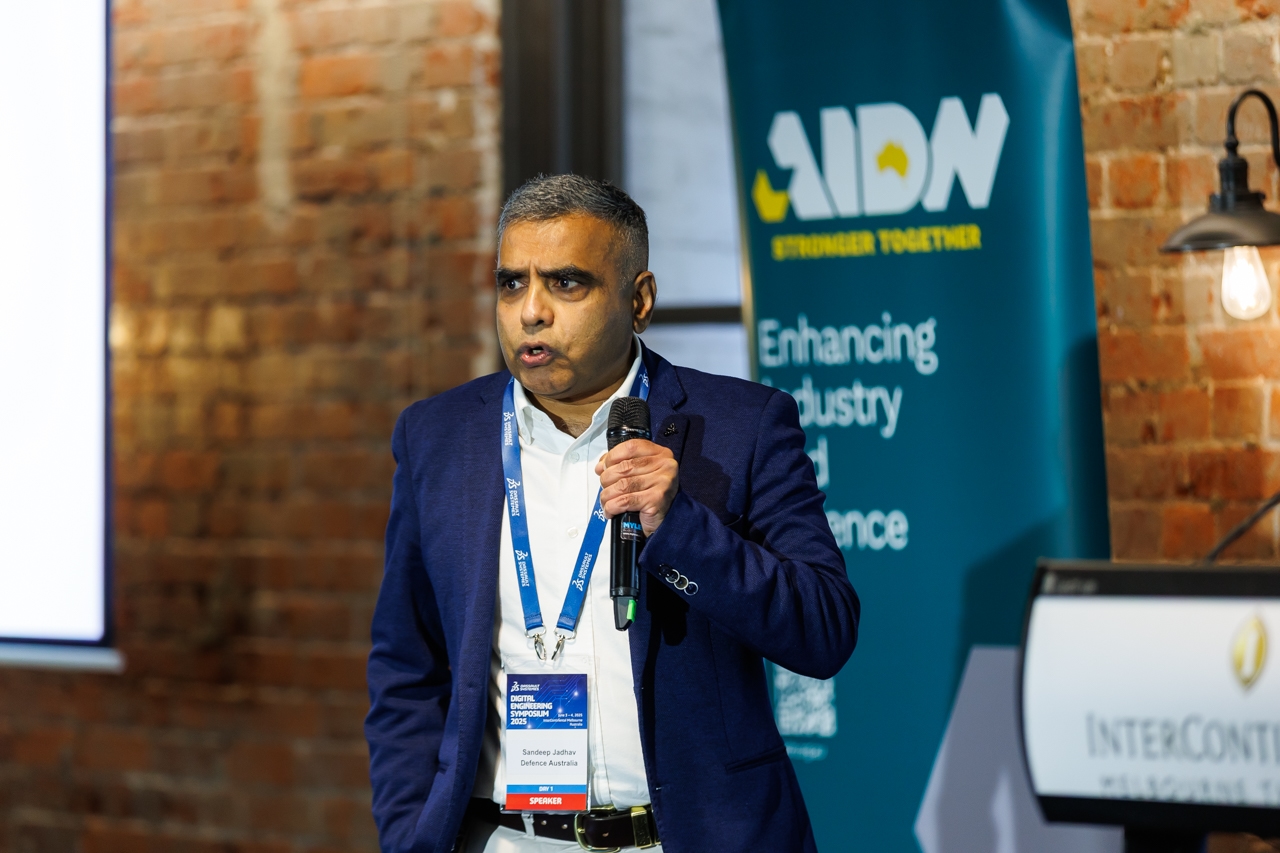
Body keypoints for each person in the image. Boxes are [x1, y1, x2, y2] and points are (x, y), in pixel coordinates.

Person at [365, 174, 859, 853]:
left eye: (566, 283)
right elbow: (406, 665)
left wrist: (681, 528)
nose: (530, 311)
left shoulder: (742, 426)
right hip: (502, 839)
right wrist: (406, 833)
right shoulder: (438, 436)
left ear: (640, 299)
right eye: (511, 283)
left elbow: (825, 630)